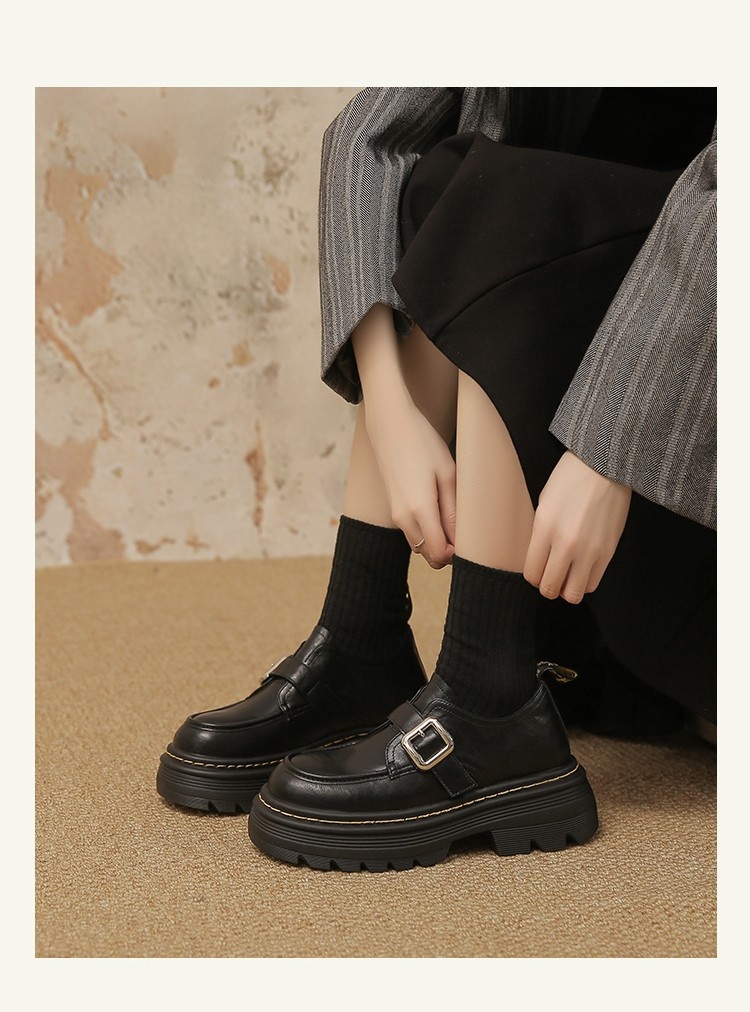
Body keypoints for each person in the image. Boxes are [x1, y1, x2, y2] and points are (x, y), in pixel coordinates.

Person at [157, 87, 717, 872]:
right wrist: (390, 408)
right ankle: (362, 641)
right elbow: (369, 136)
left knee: (512, 203)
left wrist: (609, 449)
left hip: (688, 534)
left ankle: (490, 702)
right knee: (449, 182)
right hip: (555, 571)